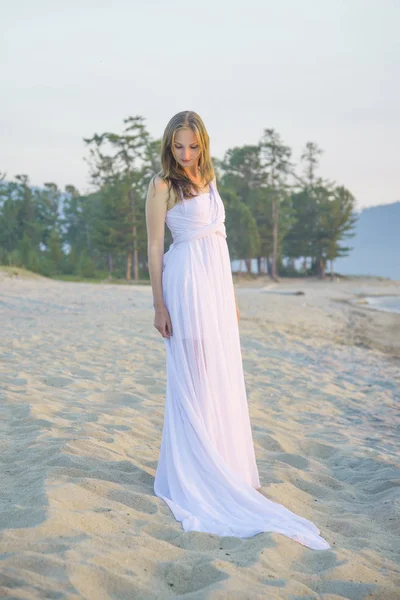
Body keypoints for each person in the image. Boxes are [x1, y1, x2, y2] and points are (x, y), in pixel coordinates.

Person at [145, 110, 330, 549]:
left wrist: (230, 300)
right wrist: (158, 304)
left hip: (214, 287)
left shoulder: (209, 178)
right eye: (178, 146)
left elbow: (220, 240)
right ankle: (194, 472)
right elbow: (154, 247)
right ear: (168, 146)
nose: (186, 154)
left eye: (192, 146)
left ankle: (222, 464)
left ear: (202, 144)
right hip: (185, 283)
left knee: (217, 376)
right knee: (193, 375)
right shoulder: (161, 186)